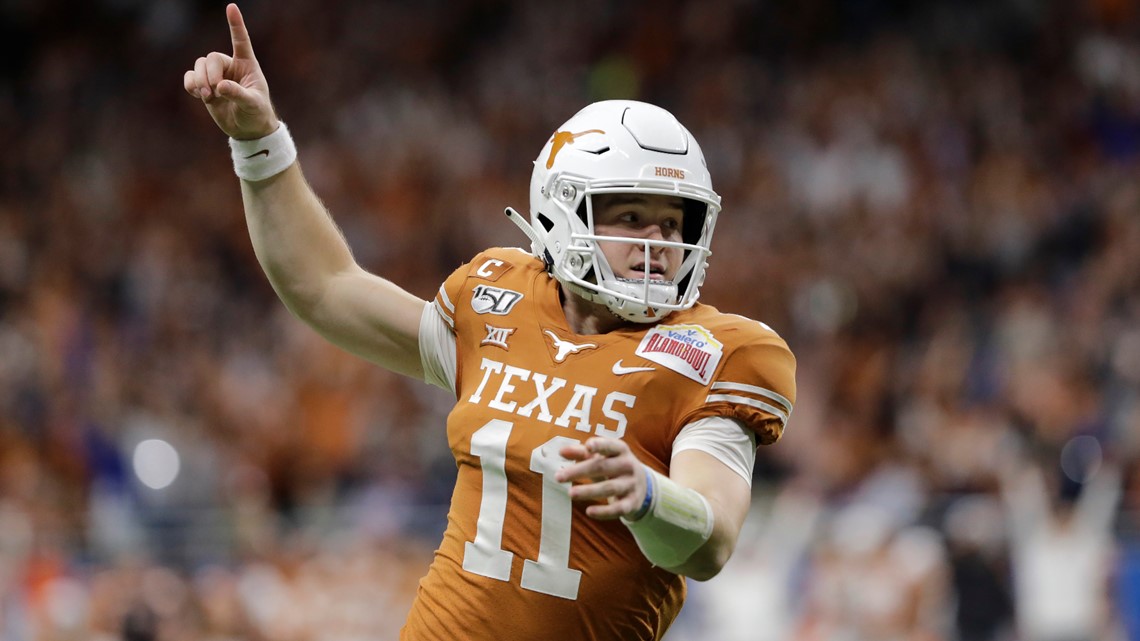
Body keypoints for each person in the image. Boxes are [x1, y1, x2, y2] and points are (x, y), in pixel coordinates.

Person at [183, 5, 796, 640]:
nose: (659, 241)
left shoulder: (715, 351)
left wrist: (648, 495)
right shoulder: (500, 298)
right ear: (564, 211)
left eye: (674, 223)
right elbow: (327, 288)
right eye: (632, 216)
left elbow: (710, 541)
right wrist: (258, 142)